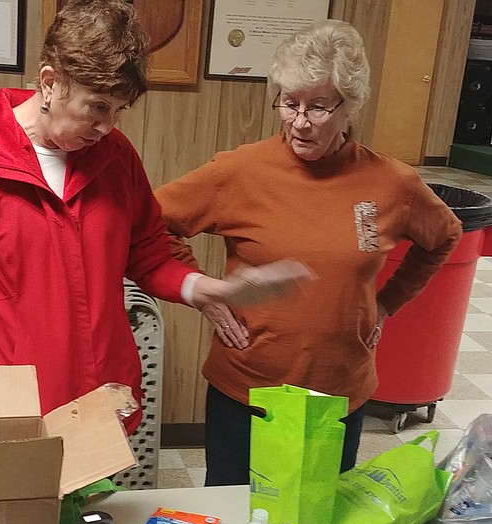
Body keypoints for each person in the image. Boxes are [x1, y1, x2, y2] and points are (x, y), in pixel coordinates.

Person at [0, 0, 308, 431]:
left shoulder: (115, 157)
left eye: (119, 110)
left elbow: (148, 251)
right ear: (49, 82)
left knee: (95, 499)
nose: (107, 127)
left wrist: (212, 289)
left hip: (101, 389)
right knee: (20, 498)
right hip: (12, 396)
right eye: (98, 106)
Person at [158, 20, 463, 486]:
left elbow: (443, 237)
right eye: (289, 102)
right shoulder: (238, 172)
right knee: (240, 516)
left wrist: (386, 304)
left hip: (338, 388)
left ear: (350, 105)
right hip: (248, 387)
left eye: (318, 107)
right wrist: (205, 293)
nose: (299, 121)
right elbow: (149, 224)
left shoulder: (392, 184)